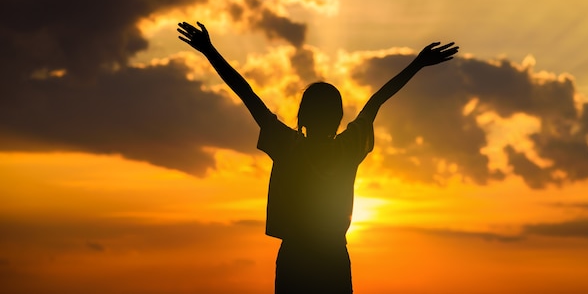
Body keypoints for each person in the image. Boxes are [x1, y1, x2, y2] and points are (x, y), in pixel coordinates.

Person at [177, 21, 458, 294]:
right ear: (337, 118)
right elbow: (377, 100)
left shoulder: (288, 146)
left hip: (295, 259)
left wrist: (209, 51)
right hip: (333, 257)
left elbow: (246, 94)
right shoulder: (348, 148)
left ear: (303, 117)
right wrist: (417, 64)